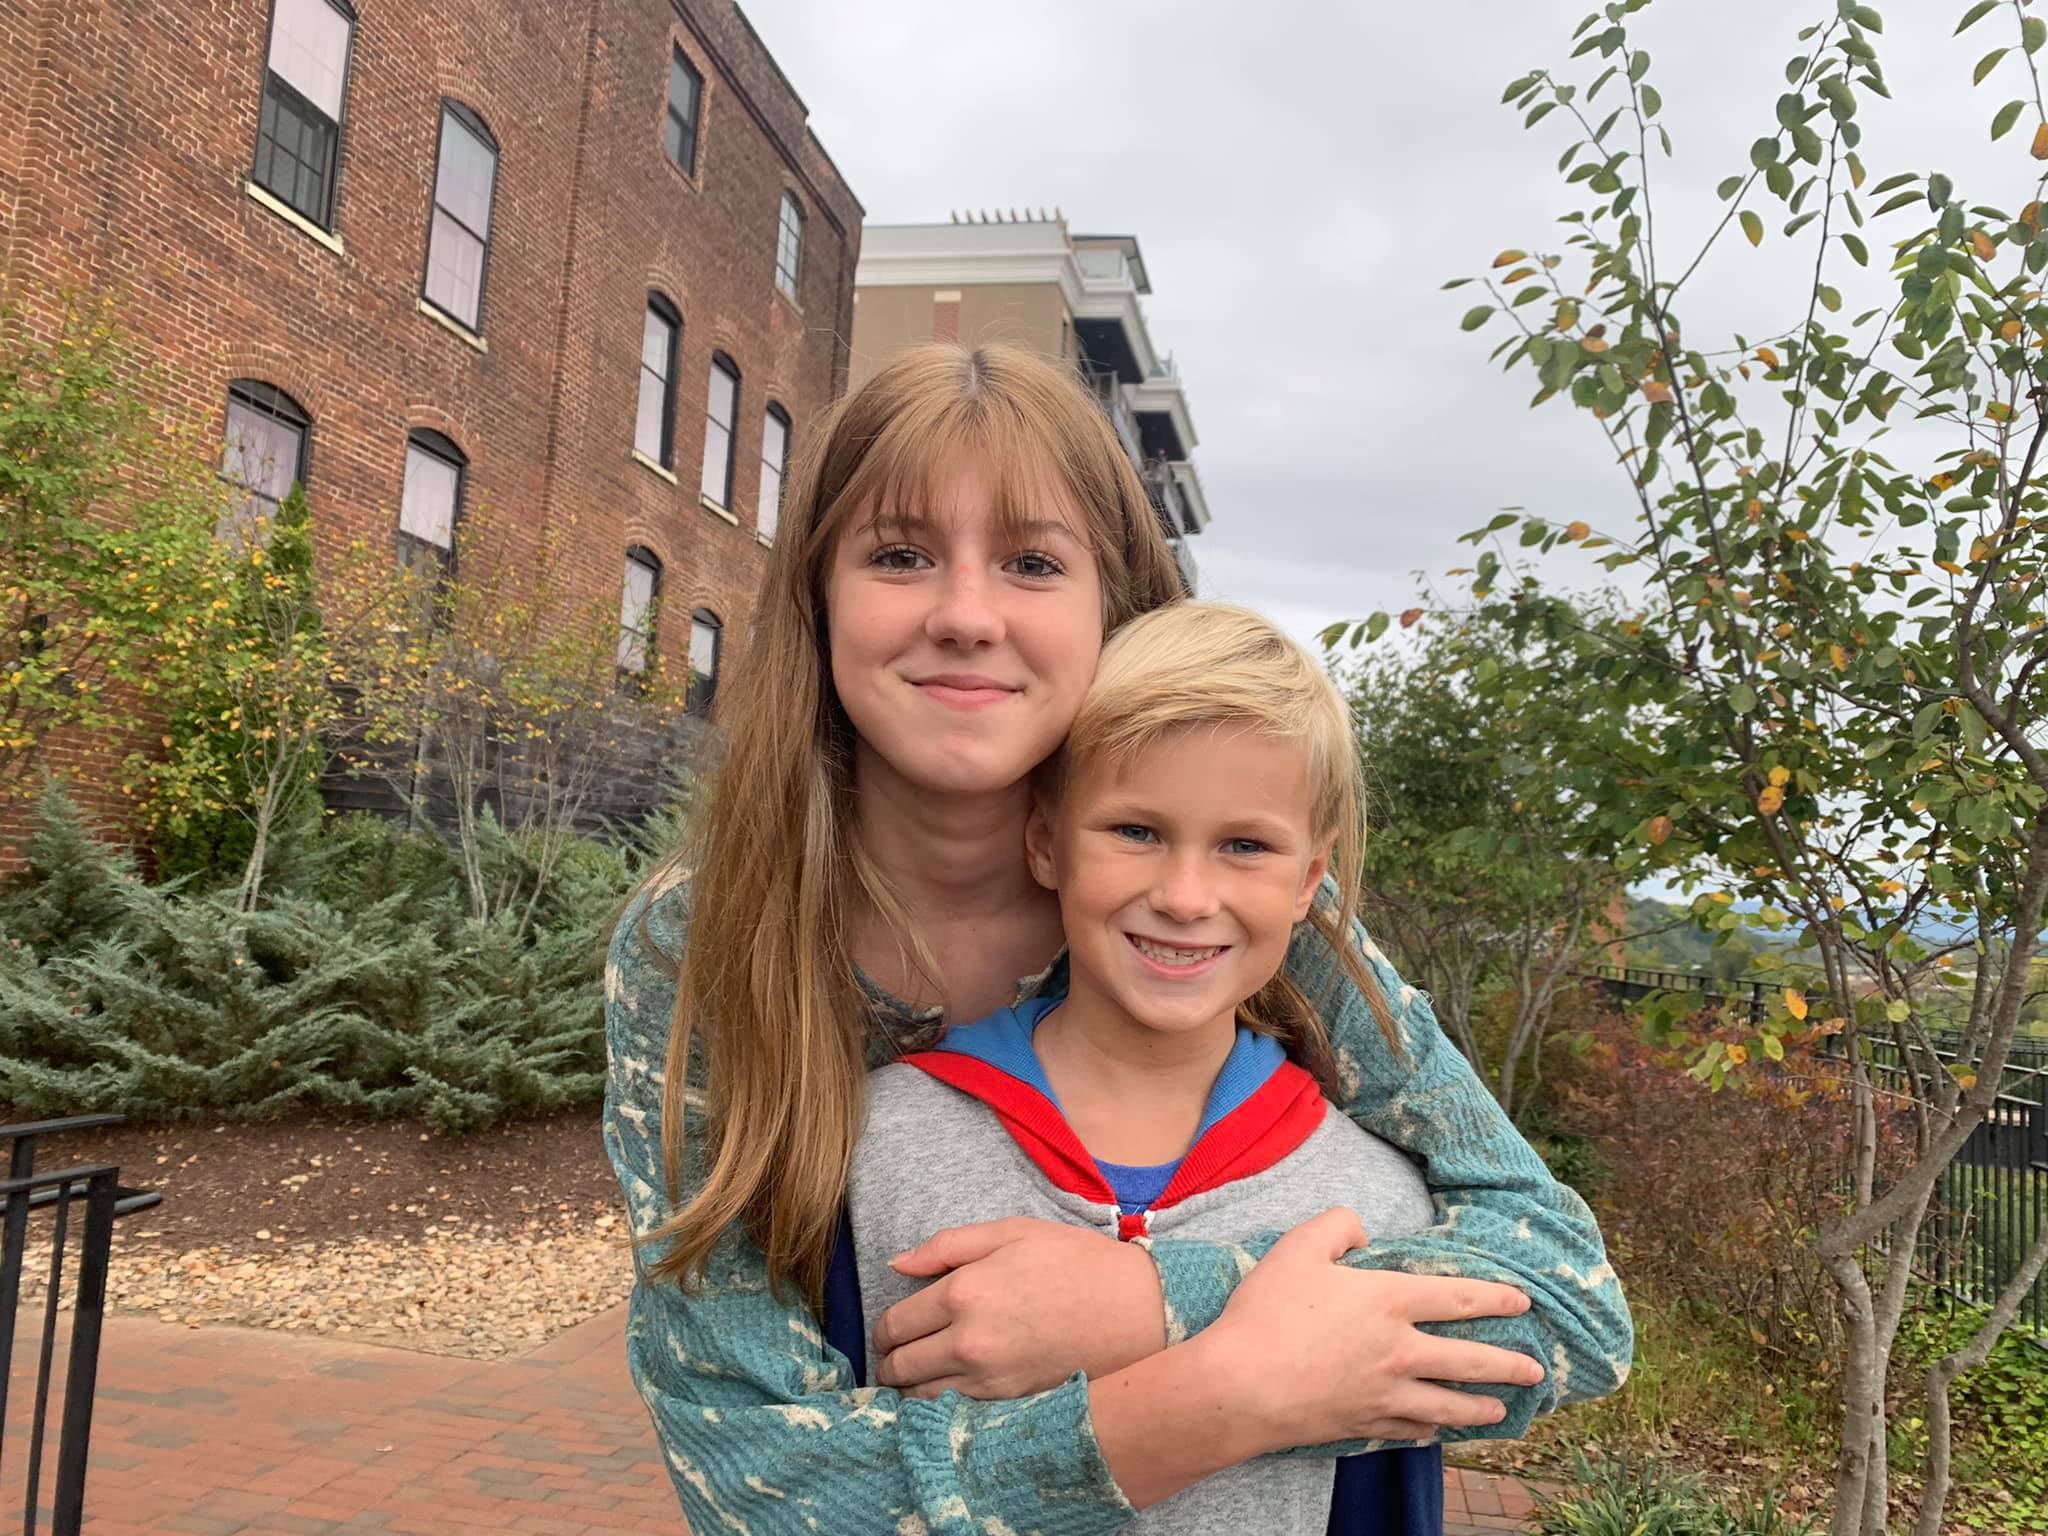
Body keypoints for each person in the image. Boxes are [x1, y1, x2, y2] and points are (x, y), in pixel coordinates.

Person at [604, 342, 1632, 1535]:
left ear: (1114, 605)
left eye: (1033, 563)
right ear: (817, 596)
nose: (965, 615)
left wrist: (1149, 1304)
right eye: (898, 555)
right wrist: (1212, 1399)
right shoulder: (707, 939)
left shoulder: (1223, 912)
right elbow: (760, 1483)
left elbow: (1566, 1301)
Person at [841, 599, 1451, 1533]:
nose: (1186, 896)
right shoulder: (881, 1143)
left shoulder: (1376, 1207)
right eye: (1136, 831)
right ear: (1045, 842)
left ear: (1308, 880)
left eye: (1245, 845)